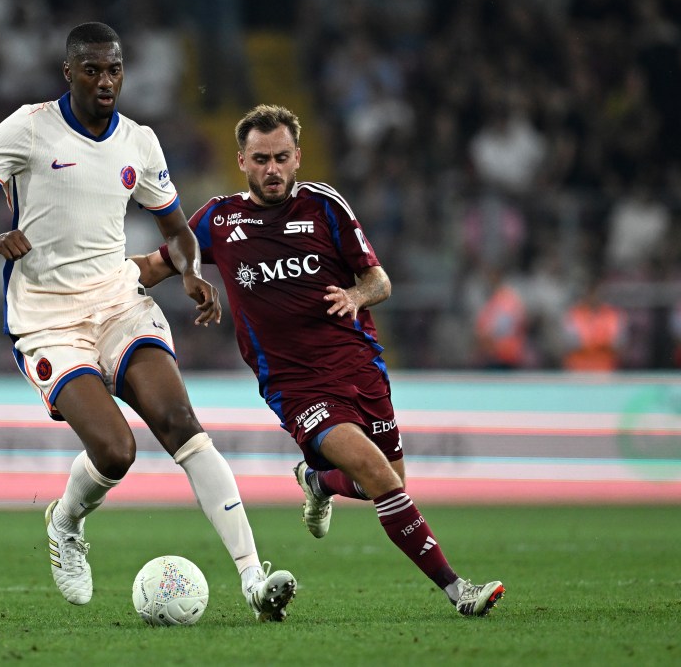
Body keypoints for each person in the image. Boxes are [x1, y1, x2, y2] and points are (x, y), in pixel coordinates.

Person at [0, 23, 296, 621]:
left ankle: (254, 579)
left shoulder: (139, 142)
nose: (106, 81)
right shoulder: (29, 126)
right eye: (93, 70)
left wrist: (190, 273)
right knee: (116, 450)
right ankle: (66, 521)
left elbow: (176, 230)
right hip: (48, 321)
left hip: (119, 303)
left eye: (115, 70)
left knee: (180, 421)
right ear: (69, 72)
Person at [132, 104, 505, 617]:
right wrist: (81, 271)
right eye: (260, 158)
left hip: (359, 366)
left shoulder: (325, 205)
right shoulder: (219, 220)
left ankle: (317, 480)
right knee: (380, 476)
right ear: (241, 160)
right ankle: (458, 590)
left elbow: (379, 280)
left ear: (298, 156)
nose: (272, 169)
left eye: (282, 157)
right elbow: (154, 266)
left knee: (389, 485)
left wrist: (355, 296)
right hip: (296, 384)